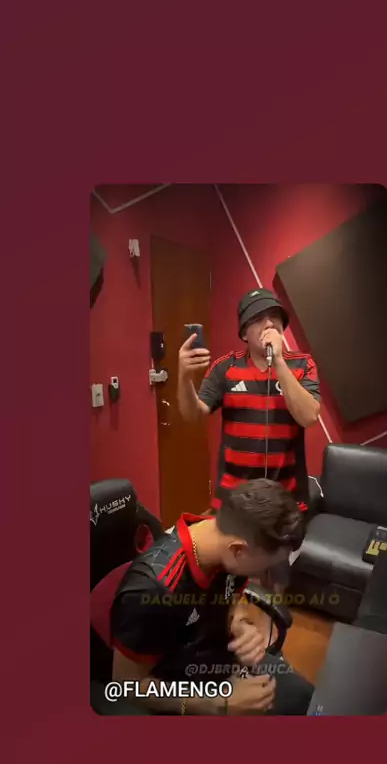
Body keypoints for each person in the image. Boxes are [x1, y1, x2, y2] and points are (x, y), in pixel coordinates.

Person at [111, 479, 314, 715]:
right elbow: (127, 685)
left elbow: (232, 598)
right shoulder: (153, 591)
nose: (265, 577)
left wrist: (240, 622)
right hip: (181, 692)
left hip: (220, 662)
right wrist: (219, 703)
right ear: (238, 550)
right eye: (266, 568)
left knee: (306, 697)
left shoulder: (225, 539)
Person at [177, 288, 321, 516]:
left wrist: (279, 361)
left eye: (274, 316)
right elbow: (193, 415)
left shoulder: (303, 364)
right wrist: (184, 377)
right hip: (234, 498)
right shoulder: (225, 368)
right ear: (244, 333)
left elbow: (309, 417)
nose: (269, 324)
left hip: (287, 497)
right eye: (258, 318)